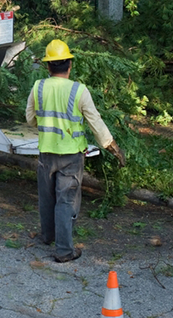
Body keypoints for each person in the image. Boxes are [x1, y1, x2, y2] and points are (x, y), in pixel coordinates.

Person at [25, 39, 126, 263]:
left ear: (48, 66)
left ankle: (48, 236)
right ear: (69, 65)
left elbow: (30, 118)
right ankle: (63, 250)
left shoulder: (38, 87)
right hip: (71, 157)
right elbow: (95, 123)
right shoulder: (79, 91)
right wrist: (112, 147)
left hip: (46, 153)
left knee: (46, 197)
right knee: (66, 200)